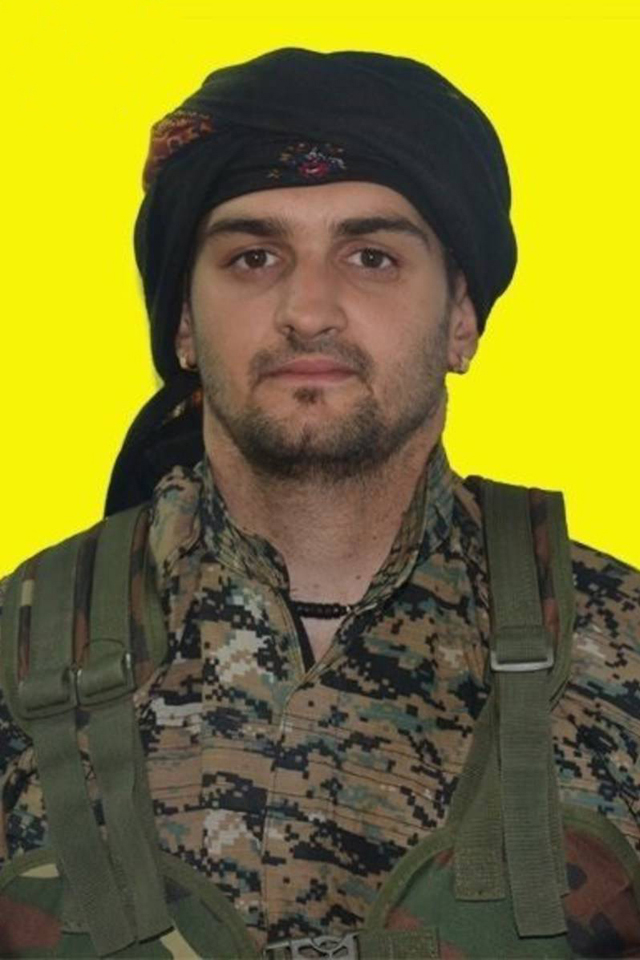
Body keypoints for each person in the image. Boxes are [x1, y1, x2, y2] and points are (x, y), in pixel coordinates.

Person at [0, 46, 639, 959]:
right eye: (253, 256)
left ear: (461, 318)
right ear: (182, 323)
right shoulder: (15, 656)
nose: (308, 309)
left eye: (371, 257)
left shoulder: (623, 651)